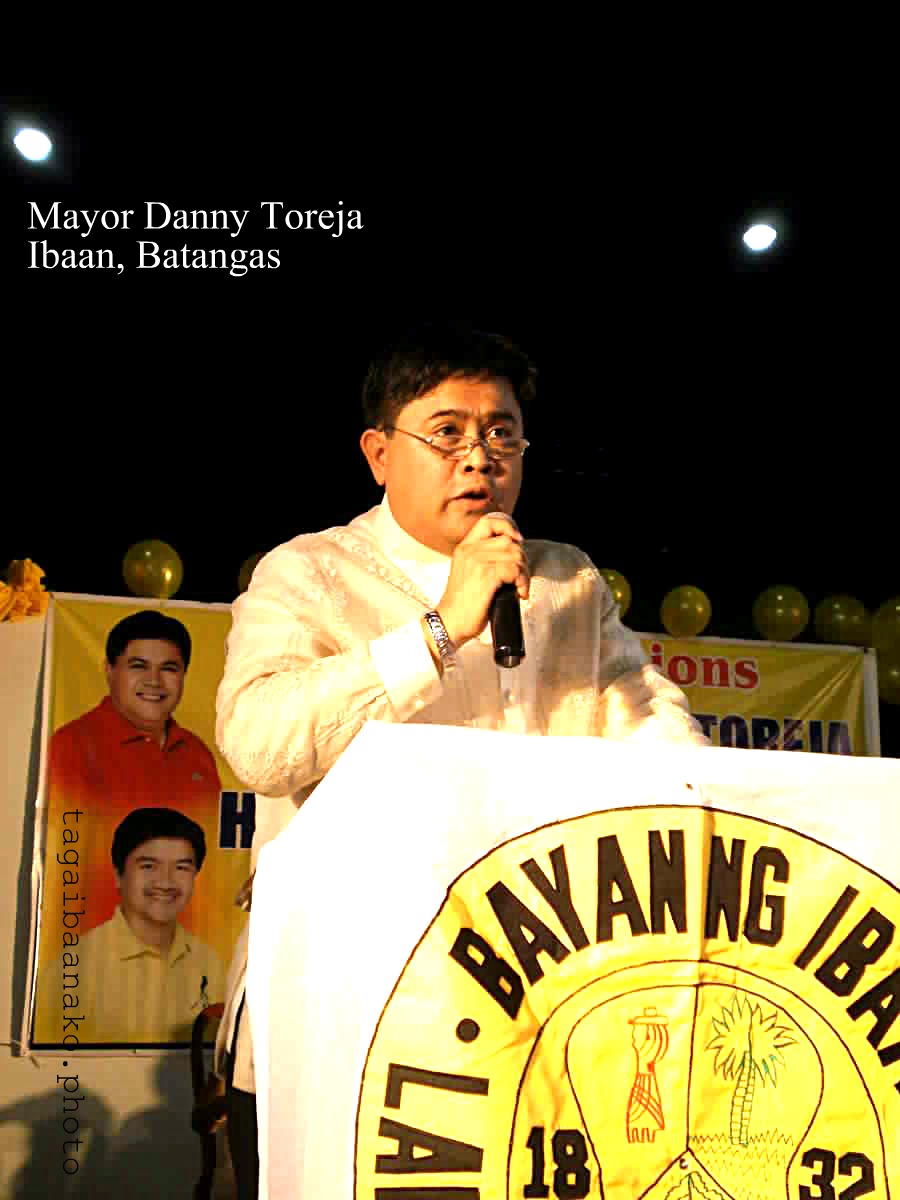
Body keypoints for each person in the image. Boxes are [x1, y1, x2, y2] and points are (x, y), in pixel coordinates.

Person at [213, 321, 709, 1199]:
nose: (478, 459)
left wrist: (716, 790)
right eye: (447, 432)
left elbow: (651, 723)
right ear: (379, 454)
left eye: (501, 433)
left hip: (524, 1015)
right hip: (346, 1006)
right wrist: (439, 630)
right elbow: (258, 741)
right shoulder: (307, 573)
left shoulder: (566, 580)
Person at [45, 807, 225, 1043]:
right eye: (149, 866)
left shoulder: (211, 964)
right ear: (118, 875)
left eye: (181, 867)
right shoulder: (71, 969)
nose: (165, 882)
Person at [48, 609, 222, 817]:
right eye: (139, 666)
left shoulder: (197, 753)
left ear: (184, 675)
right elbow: (65, 834)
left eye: (169, 668)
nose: (154, 681)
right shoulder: (72, 746)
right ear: (109, 670)